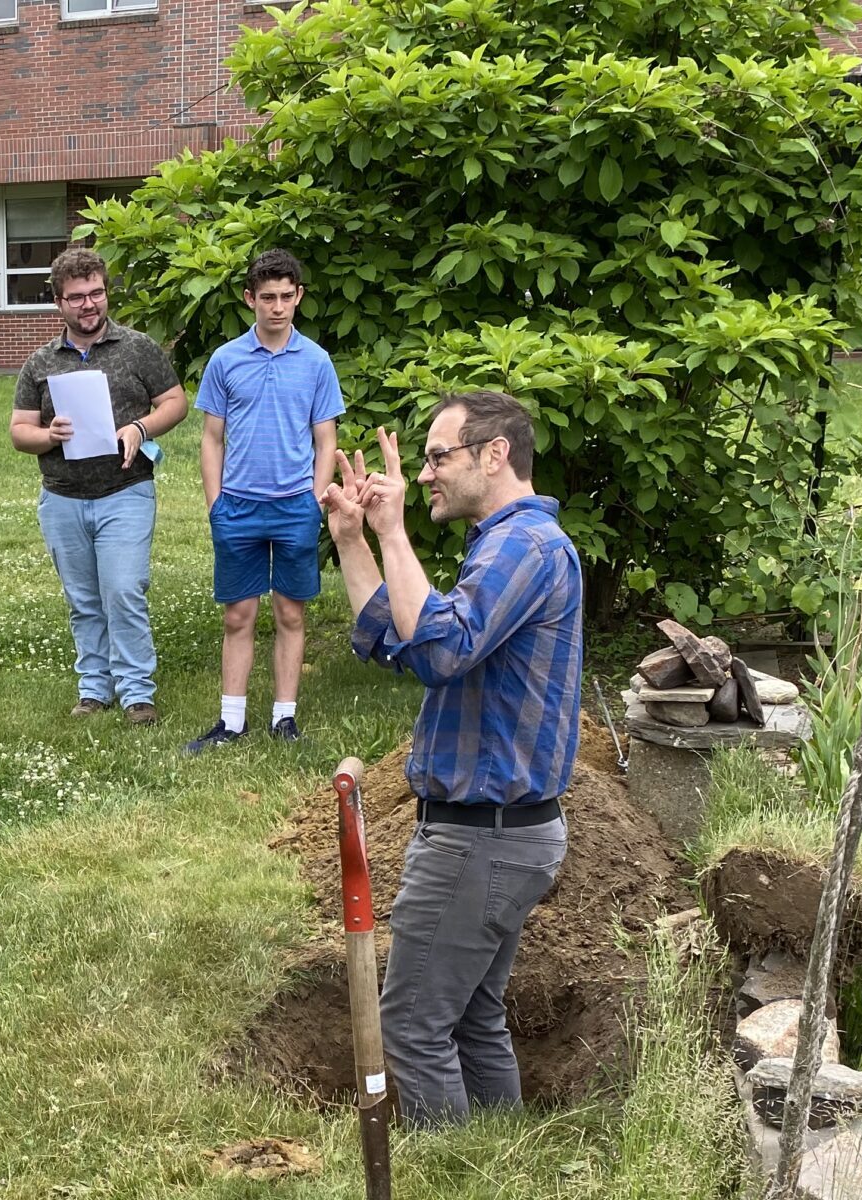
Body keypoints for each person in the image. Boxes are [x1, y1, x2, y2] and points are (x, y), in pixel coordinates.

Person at [323, 390, 581, 1126]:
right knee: (471, 1015)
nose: (428, 473)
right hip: (500, 834)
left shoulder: (521, 547)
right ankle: (497, 1163)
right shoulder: (507, 548)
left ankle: (451, 1167)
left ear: (494, 455)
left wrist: (394, 532)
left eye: (440, 456)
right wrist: (354, 540)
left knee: (412, 1021)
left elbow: (440, 649)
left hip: (481, 837)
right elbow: (403, 638)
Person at [9, 248, 188, 727]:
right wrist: (49, 436)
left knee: (124, 590)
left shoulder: (138, 348)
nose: (89, 305)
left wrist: (141, 429)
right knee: (83, 600)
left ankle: (137, 694)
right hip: (63, 497)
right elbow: (18, 430)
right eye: (77, 298)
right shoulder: (40, 362)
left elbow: (175, 402)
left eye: (96, 294)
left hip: (125, 491)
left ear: (106, 293)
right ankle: (93, 689)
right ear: (58, 303)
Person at [185, 249, 341, 754]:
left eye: (286, 297)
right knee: (238, 616)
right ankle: (231, 721)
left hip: (295, 505)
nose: (277, 307)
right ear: (250, 298)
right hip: (238, 507)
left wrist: (316, 500)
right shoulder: (226, 360)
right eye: (267, 297)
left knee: (291, 614)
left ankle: (284, 718)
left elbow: (326, 440)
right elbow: (211, 438)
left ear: (299, 297)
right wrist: (215, 503)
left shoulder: (316, 362)